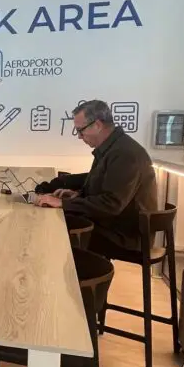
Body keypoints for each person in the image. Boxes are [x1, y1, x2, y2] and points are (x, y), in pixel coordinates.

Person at [35, 99, 157, 255]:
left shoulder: (125, 153)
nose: (79, 136)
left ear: (97, 125)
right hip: (112, 225)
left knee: (57, 231)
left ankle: (73, 278)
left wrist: (63, 203)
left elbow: (111, 204)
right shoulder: (112, 148)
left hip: (124, 236)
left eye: (81, 130)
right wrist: (77, 196)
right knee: (61, 221)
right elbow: (104, 187)